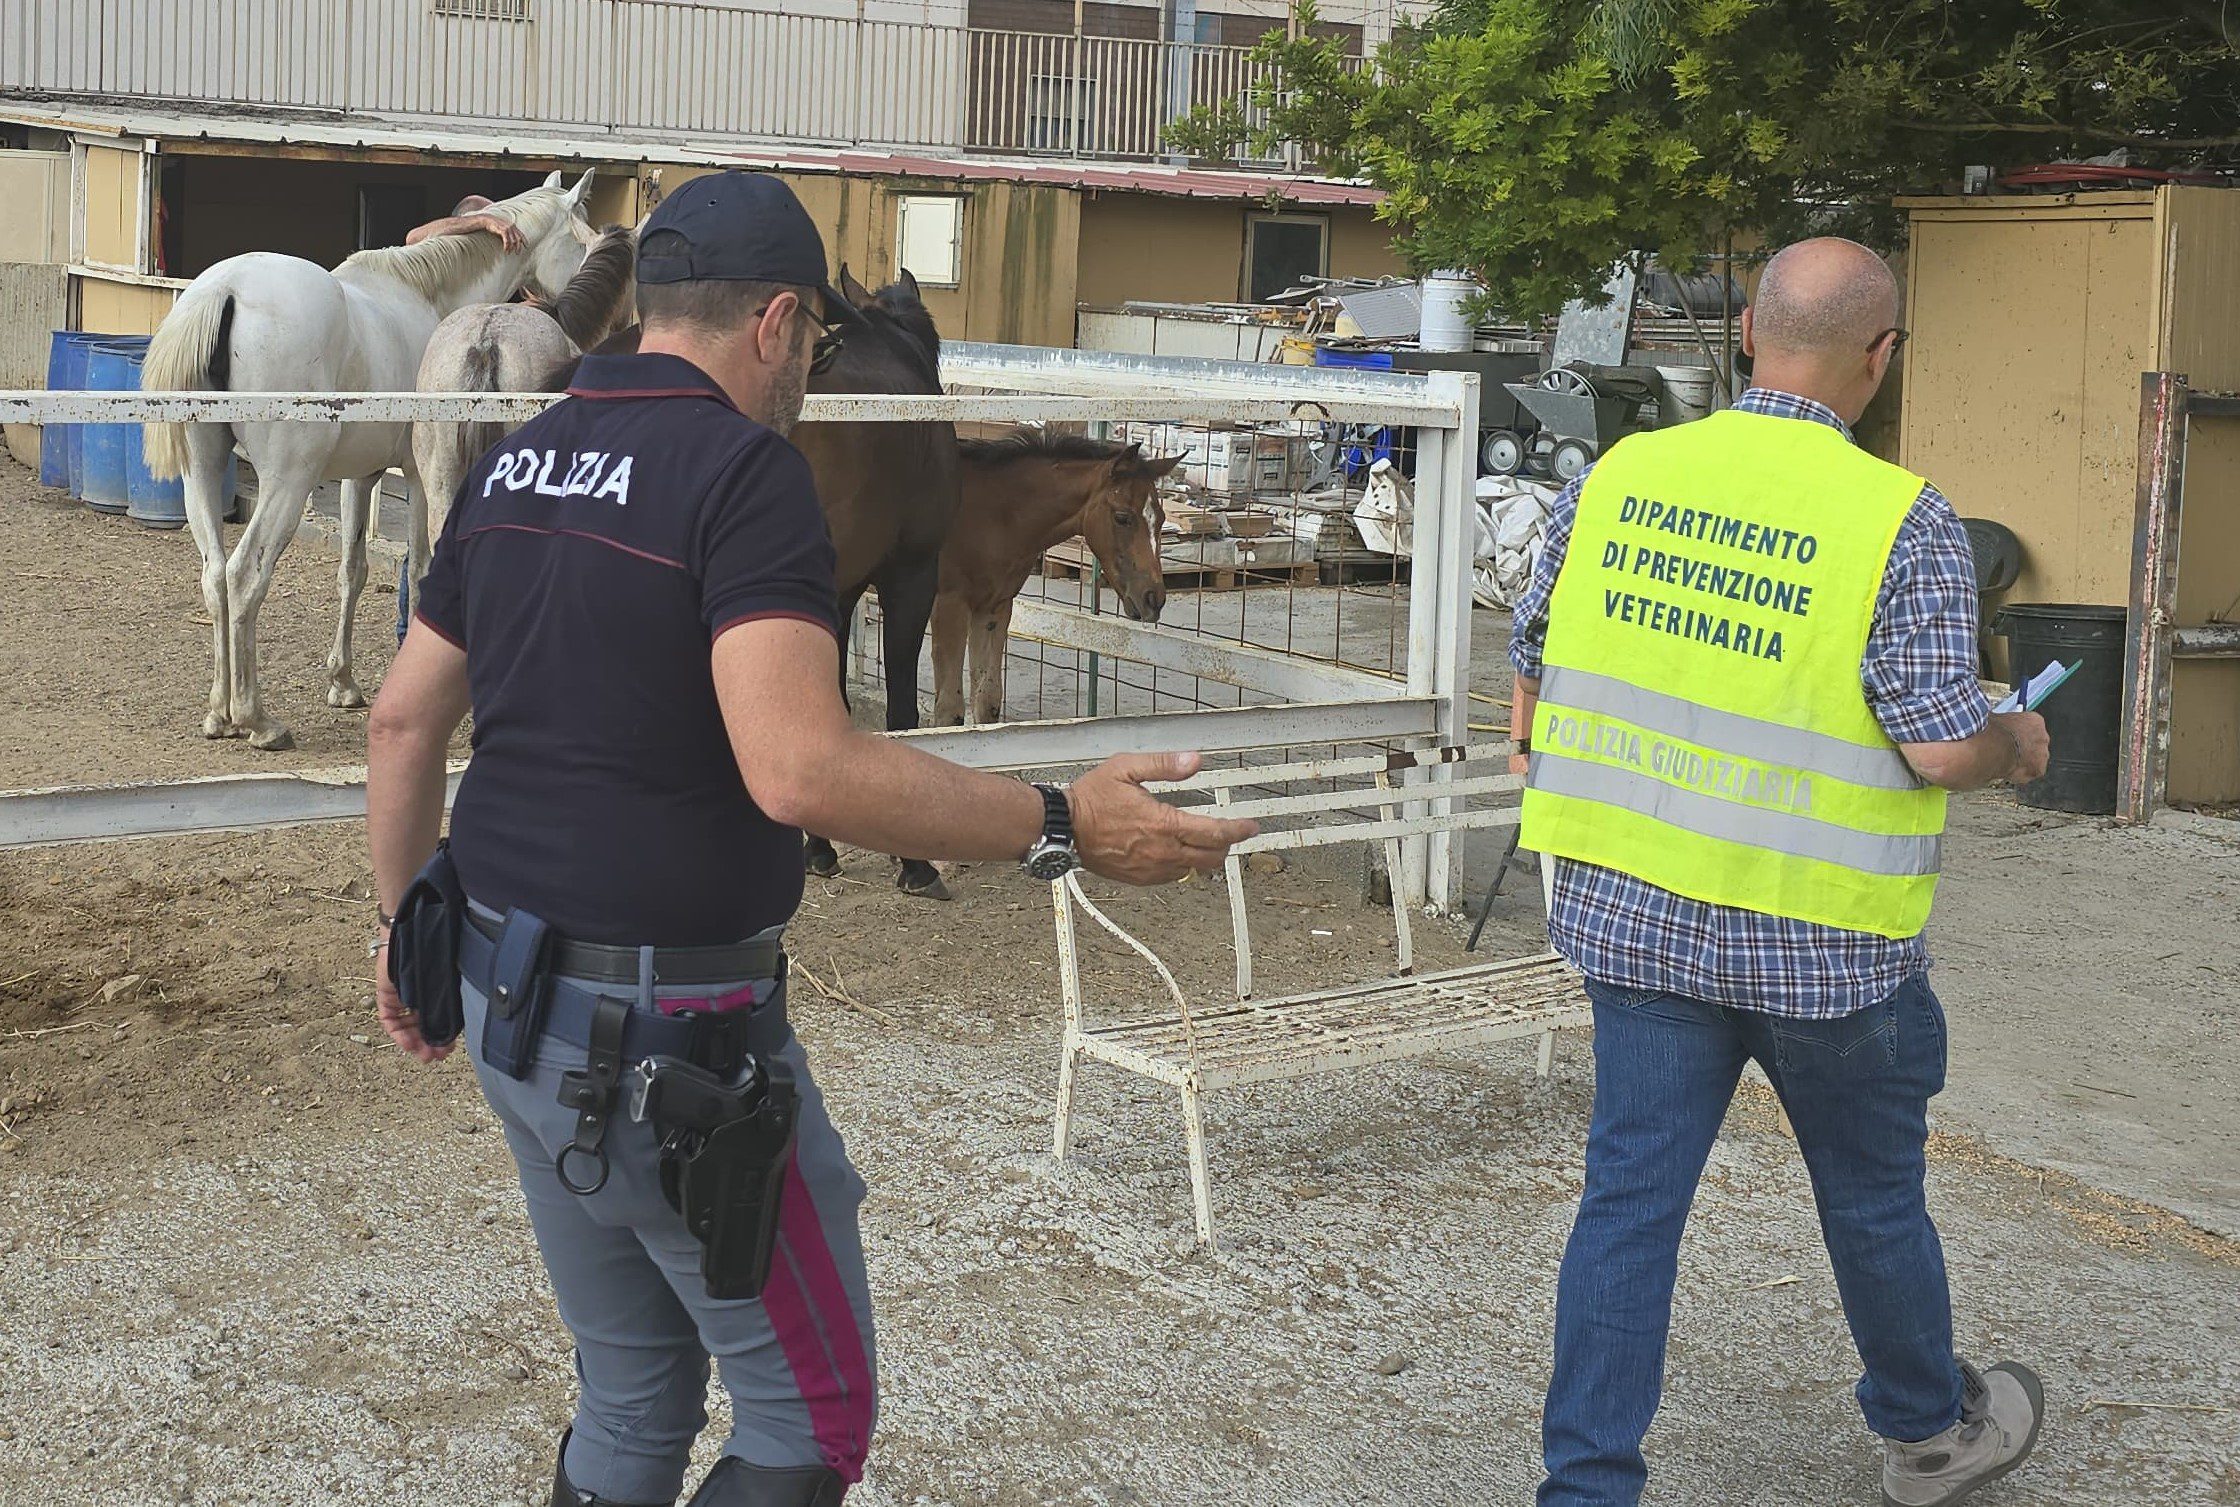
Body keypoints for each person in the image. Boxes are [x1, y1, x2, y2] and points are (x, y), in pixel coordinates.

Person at [364, 171, 1256, 1507]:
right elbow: (800, 766)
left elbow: (399, 723)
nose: (808, 376)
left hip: (507, 995)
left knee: (632, 1391)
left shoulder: (523, 453)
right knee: (810, 1412)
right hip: (670, 1037)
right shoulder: (743, 473)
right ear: (777, 324)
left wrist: (402, 936)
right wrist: (1064, 821)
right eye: (815, 346)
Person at [1510, 237, 2051, 1507]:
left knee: (1627, 1207)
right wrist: (2010, 739)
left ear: (1746, 330)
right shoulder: (1896, 514)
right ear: (1880, 356)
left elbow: (1534, 662)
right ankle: (1926, 1436)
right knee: (1868, 1200)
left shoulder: (1622, 474)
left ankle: (1583, 1490)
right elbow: (1930, 740)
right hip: (1824, 949)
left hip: (1631, 921)